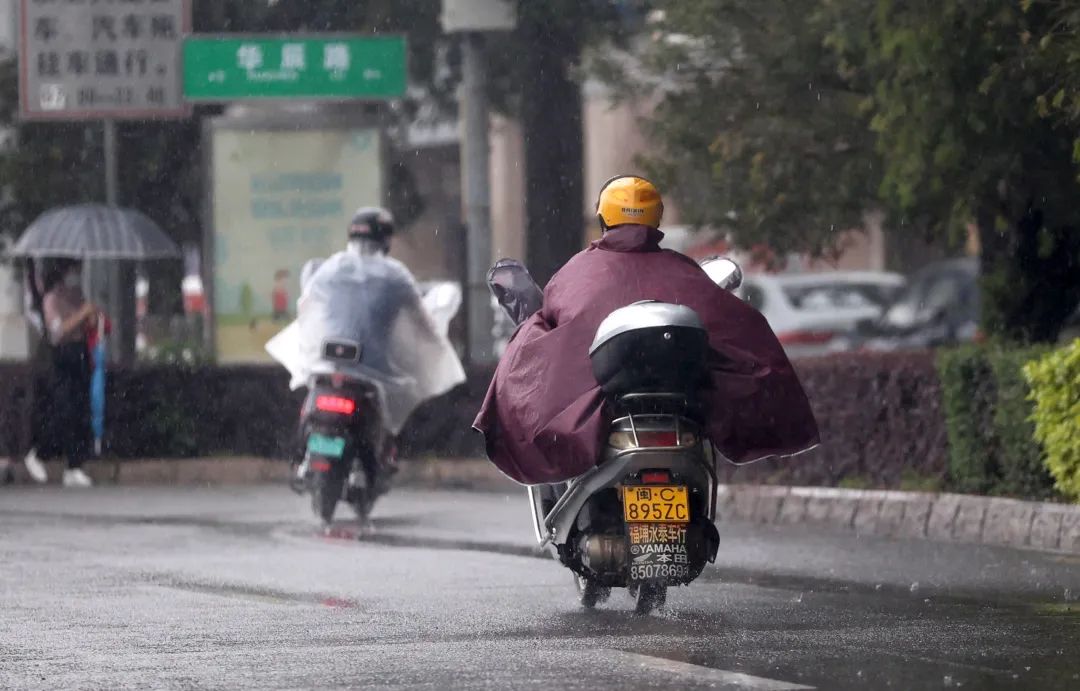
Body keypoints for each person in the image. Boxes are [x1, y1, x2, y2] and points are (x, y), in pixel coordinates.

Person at [474, 175, 820, 484]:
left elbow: (551, 336)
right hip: (683, 410)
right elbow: (737, 328)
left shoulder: (576, 273)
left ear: (603, 218)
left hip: (606, 417)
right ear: (656, 217)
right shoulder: (685, 273)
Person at [23, 259, 99, 488]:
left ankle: (74, 467)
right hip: (61, 358)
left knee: (80, 411)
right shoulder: (51, 299)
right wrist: (79, 315)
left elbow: (87, 325)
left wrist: (91, 316)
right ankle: (38, 453)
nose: (75, 276)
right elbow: (57, 332)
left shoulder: (77, 295)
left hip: (80, 355)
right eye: (73, 271)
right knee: (62, 410)